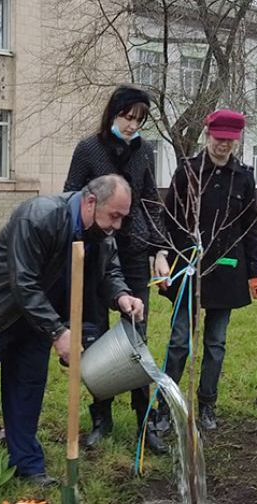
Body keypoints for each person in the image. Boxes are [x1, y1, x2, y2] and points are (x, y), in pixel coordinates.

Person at [0, 175, 144, 503]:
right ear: (91, 202)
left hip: (40, 316)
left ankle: (28, 464)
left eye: (123, 217)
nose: (118, 225)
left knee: (27, 391)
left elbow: (109, 272)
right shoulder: (39, 216)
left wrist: (122, 296)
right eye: (115, 216)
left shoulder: (100, 233)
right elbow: (23, 282)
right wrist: (58, 331)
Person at [63, 84, 169, 454]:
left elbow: (152, 202)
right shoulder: (88, 149)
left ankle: (145, 419)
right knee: (94, 338)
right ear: (113, 113)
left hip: (135, 250)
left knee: (136, 337)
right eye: (127, 117)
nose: (131, 126)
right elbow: (71, 197)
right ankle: (101, 417)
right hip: (95, 255)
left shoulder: (145, 152)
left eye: (139, 120)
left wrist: (159, 250)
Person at [154, 109, 257, 433]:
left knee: (216, 344)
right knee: (178, 343)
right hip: (188, 271)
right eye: (219, 140)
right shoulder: (188, 172)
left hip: (227, 274)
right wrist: (165, 257)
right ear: (208, 136)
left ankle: (207, 406)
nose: (223, 146)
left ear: (237, 140)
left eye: (230, 141)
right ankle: (167, 407)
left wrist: (255, 273)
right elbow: (168, 219)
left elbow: (250, 229)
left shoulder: (243, 177)